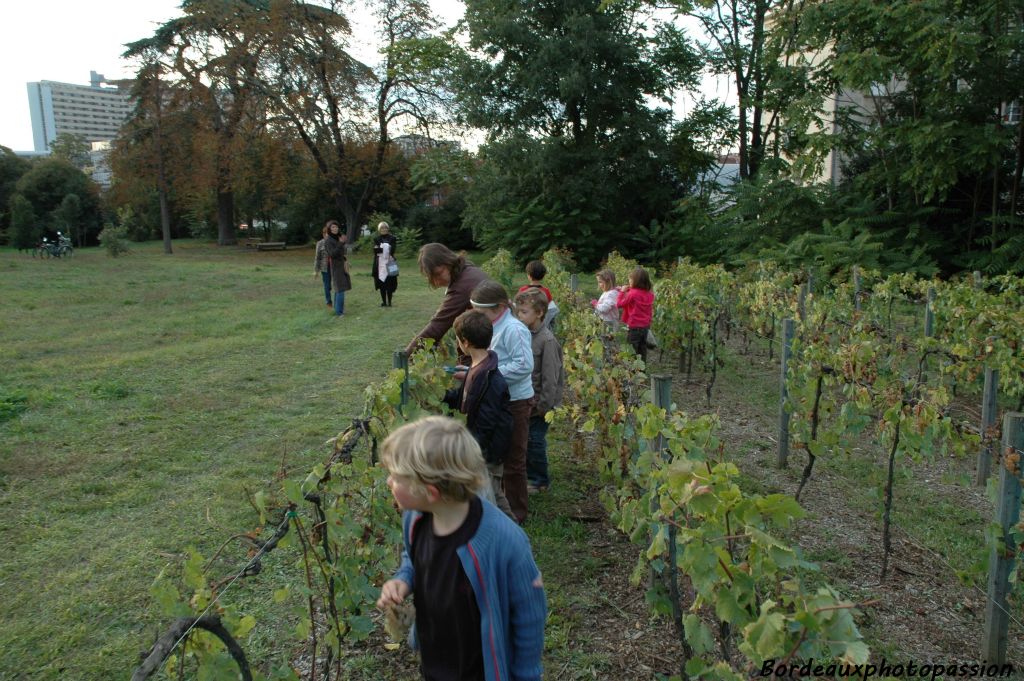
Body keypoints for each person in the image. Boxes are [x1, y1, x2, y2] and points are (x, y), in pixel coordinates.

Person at [376, 416, 547, 681]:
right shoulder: (417, 519)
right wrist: (403, 579)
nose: (388, 482)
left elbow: (529, 616)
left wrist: (526, 675)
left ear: (429, 491)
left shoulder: (506, 543)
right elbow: (413, 558)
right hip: (436, 660)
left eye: (395, 477)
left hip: (481, 670)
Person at [470, 281, 534, 524]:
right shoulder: (493, 325)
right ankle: (500, 507)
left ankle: (517, 514)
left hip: (516, 401)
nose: (477, 316)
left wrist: (485, 374)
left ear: (498, 307)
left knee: (514, 459)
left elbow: (524, 365)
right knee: (499, 453)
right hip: (499, 401)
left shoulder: (513, 329)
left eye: (481, 311)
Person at [442, 310, 516, 521]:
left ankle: (512, 533)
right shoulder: (477, 367)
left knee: (491, 494)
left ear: (464, 342)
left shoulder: (489, 378)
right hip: (482, 446)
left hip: (488, 450)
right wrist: (445, 396)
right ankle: (508, 528)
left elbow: (487, 421)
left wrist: (474, 450)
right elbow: (464, 398)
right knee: (490, 492)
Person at [514, 289, 565, 494]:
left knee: (535, 441)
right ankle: (529, 474)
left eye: (524, 312)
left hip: (540, 404)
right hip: (526, 400)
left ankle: (540, 480)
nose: (519, 316)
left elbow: (551, 378)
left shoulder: (547, 341)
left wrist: (544, 405)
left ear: (540, 312)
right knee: (525, 439)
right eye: (518, 312)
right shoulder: (523, 334)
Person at [405, 243, 492, 356]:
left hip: (492, 343)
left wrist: (405, 356)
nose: (437, 281)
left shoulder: (462, 286)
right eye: (432, 277)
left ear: (448, 262)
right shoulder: (467, 269)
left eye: (438, 274)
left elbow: (437, 327)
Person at [616, 266, 655, 363]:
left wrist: (621, 292)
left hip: (634, 327)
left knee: (631, 351)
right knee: (642, 350)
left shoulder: (632, 294)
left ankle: (632, 373)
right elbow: (639, 297)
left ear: (636, 281)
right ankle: (642, 372)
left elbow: (619, 304)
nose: (629, 281)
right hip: (645, 327)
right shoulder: (649, 294)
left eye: (630, 279)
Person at [517, 260, 558, 331]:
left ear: (529, 275)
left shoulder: (523, 290)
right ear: (543, 276)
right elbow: (551, 309)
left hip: (525, 324)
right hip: (541, 325)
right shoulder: (546, 291)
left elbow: (517, 306)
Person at [322, 220, 352, 317]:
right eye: (333, 227)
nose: (335, 229)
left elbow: (340, 252)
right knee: (340, 289)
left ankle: (337, 309)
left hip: (341, 265)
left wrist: (345, 259)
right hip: (336, 267)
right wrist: (340, 243)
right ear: (329, 229)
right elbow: (332, 254)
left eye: (336, 227)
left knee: (339, 288)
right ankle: (339, 312)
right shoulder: (328, 240)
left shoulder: (338, 238)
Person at [372, 221, 398, 307]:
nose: (384, 229)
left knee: (390, 281)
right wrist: (384, 248)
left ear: (388, 228)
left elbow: (392, 250)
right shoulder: (376, 239)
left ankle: (390, 302)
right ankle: (384, 302)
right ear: (379, 229)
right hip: (379, 263)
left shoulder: (392, 238)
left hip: (390, 262)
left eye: (385, 227)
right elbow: (376, 252)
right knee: (381, 282)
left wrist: (382, 248)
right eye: (382, 228)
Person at [314, 226, 332, 307]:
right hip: (325, 267)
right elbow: (317, 258)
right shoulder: (320, 243)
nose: (328, 235)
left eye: (329, 233)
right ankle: (328, 301)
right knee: (327, 285)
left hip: (334, 266)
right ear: (324, 234)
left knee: (335, 284)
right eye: (326, 233)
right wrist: (316, 270)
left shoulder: (334, 242)